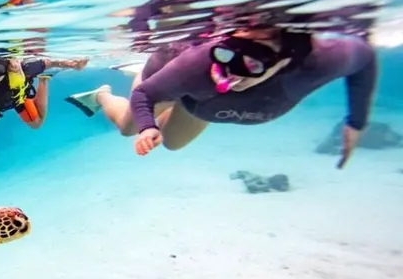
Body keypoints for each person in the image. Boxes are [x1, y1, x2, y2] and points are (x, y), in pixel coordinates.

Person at [65, 27, 377, 168]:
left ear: (285, 61)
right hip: (172, 74)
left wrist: (356, 122)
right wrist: (147, 126)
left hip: (199, 97)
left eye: (251, 64)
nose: (228, 76)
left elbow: (364, 59)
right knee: (128, 127)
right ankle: (105, 94)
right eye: (224, 57)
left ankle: (163, 93)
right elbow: (146, 95)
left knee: (172, 143)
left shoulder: (320, 60)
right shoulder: (197, 64)